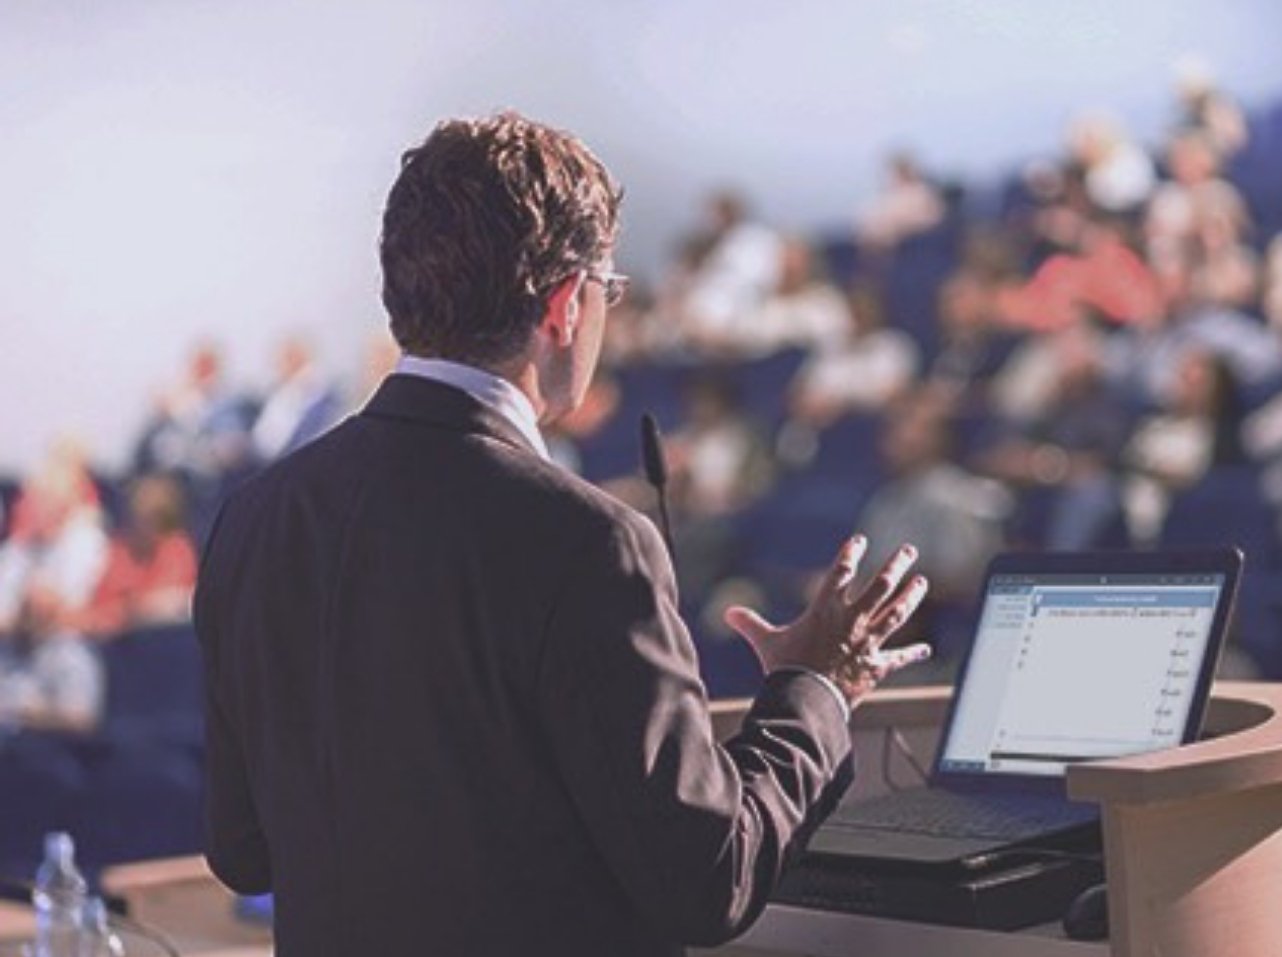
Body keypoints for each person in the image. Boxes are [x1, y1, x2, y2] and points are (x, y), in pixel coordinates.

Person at [195, 112, 932, 957]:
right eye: (608, 292)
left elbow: (242, 850)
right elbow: (709, 878)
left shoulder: (254, 518)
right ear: (564, 304)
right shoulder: (586, 544)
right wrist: (817, 687)